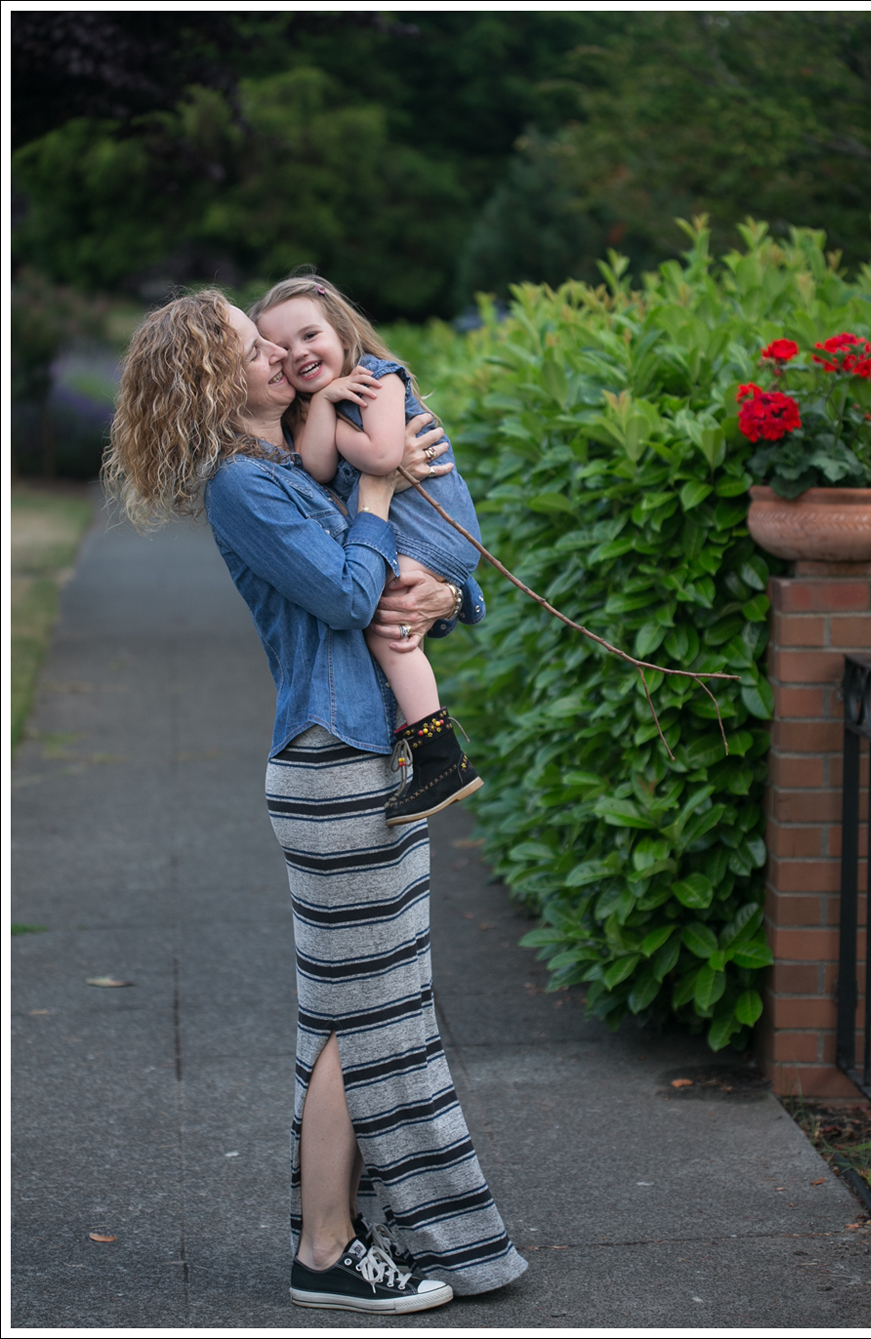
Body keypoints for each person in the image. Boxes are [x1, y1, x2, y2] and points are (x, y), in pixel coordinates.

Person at [103, 289, 527, 1315]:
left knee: (362, 1012)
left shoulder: (300, 460)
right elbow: (345, 594)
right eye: (254, 347)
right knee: (370, 1016)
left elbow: (408, 572)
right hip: (334, 763)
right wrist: (378, 493)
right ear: (219, 378)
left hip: (363, 757)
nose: (276, 356)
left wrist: (450, 590)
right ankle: (330, 1251)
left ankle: (347, 1240)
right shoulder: (246, 487)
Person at [250, 276, 483, 825]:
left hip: (430, 530)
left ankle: (441, 756)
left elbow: (381, 456)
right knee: (390, 625)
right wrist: (324, 407)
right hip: (404, 530)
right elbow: (317, 469)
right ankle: (431, 752)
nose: (300, 353)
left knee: (387, 628)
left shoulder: (379, 380)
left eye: (311, 335)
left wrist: (331, 415)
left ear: (341, 329)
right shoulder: (316, 406)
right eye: (284, 349)